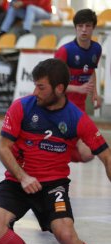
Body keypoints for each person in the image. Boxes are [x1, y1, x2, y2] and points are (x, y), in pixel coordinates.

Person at [0, 58, 110, 244]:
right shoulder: (21, 107)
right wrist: (23, 177)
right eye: (34, 85)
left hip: (54, 186)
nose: (35, 92)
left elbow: (107, 156)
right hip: (17, 181)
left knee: (66, 233)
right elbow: (2, 148)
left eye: (41, 87)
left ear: (59, 89)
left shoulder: (77, 118)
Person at [55, 8, 102, 163]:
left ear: (93, 28)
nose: (84, 30)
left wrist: (95, 93)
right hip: (61, 108)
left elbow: (91, 72)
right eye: (80, 26)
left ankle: (61, 154)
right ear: (75, 27)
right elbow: (54, 83)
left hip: (79, 109)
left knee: (89, 154)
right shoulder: (65, 51)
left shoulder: (96, 49)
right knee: (55, 146)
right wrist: (77, 88)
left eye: (88, 26)